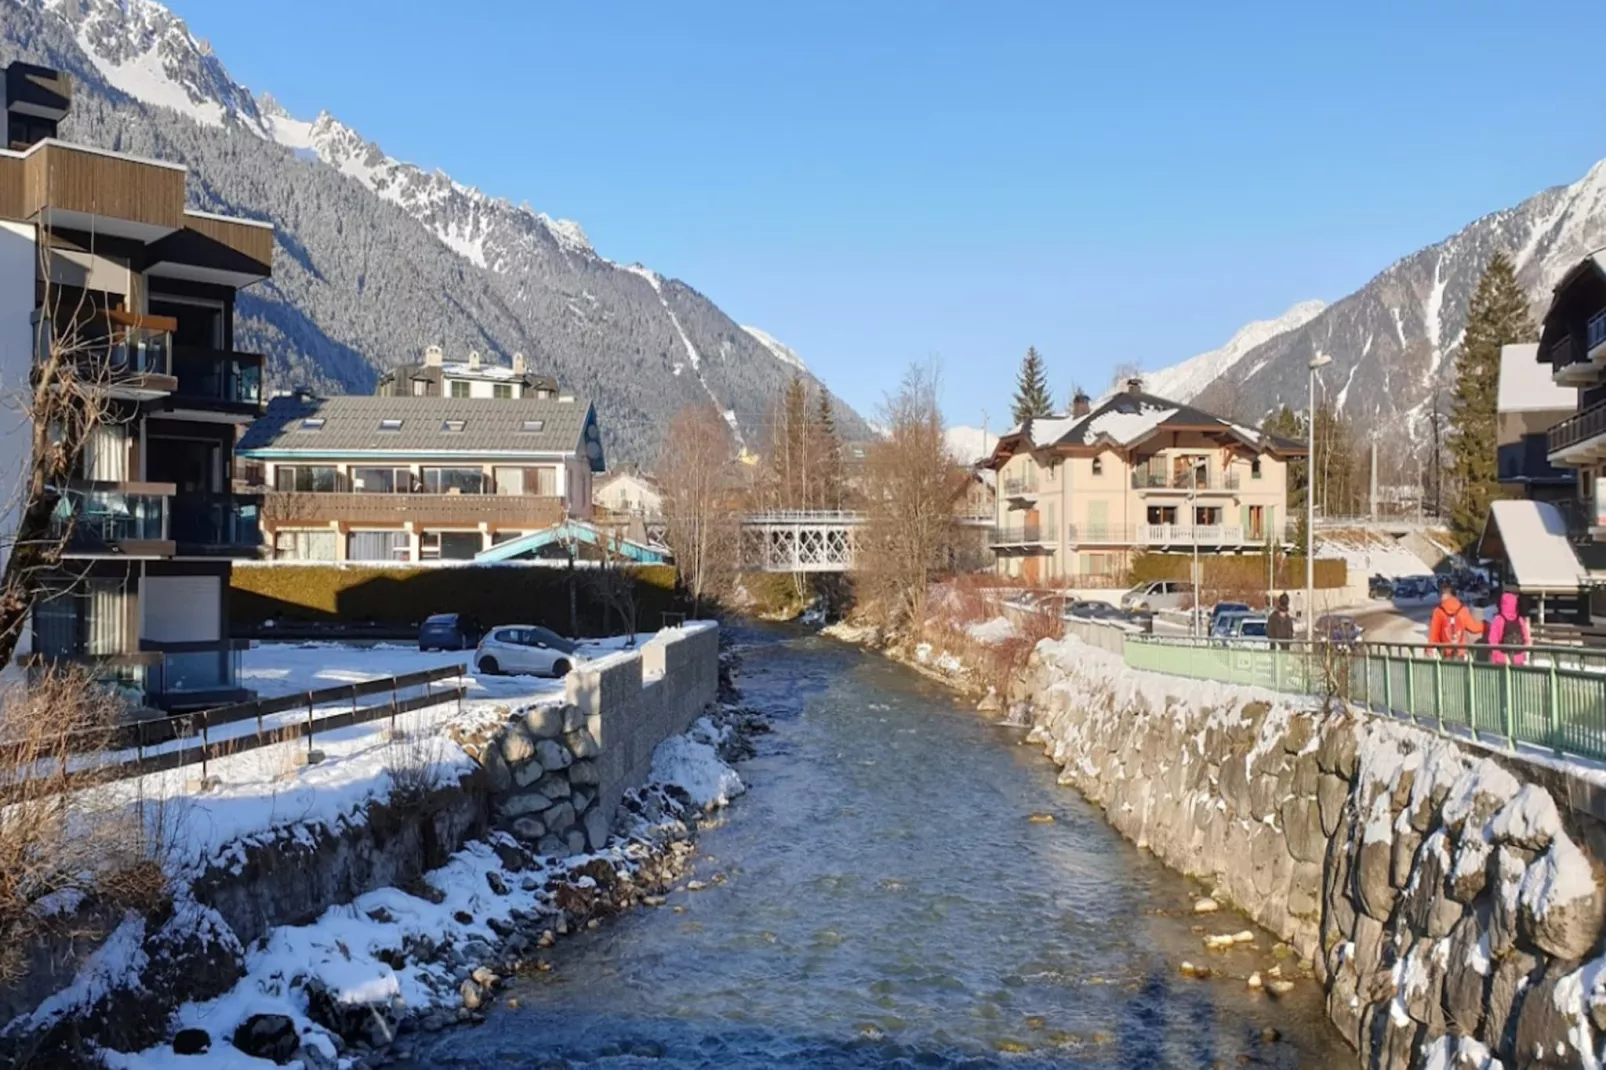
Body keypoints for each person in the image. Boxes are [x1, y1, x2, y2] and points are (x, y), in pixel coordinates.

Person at [1428, 580, 1484, 659]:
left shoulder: (1438, 612)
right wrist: (1487, 625)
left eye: (1440, 594)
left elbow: (1433, 634)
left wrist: (1429, 650)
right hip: (1460, 652)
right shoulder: (1462, 610)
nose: (1440, 597)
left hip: (1444, 653)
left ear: (1444, 595)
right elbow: (1474, 628)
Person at [1487, 591, 1532, 666]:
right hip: (1519, 659)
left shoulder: (1498, 620)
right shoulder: (1520, 620)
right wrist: (1525, 656)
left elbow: (1492, 641)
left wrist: (1494, 657)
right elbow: (1526, 639)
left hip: (1501, 660)